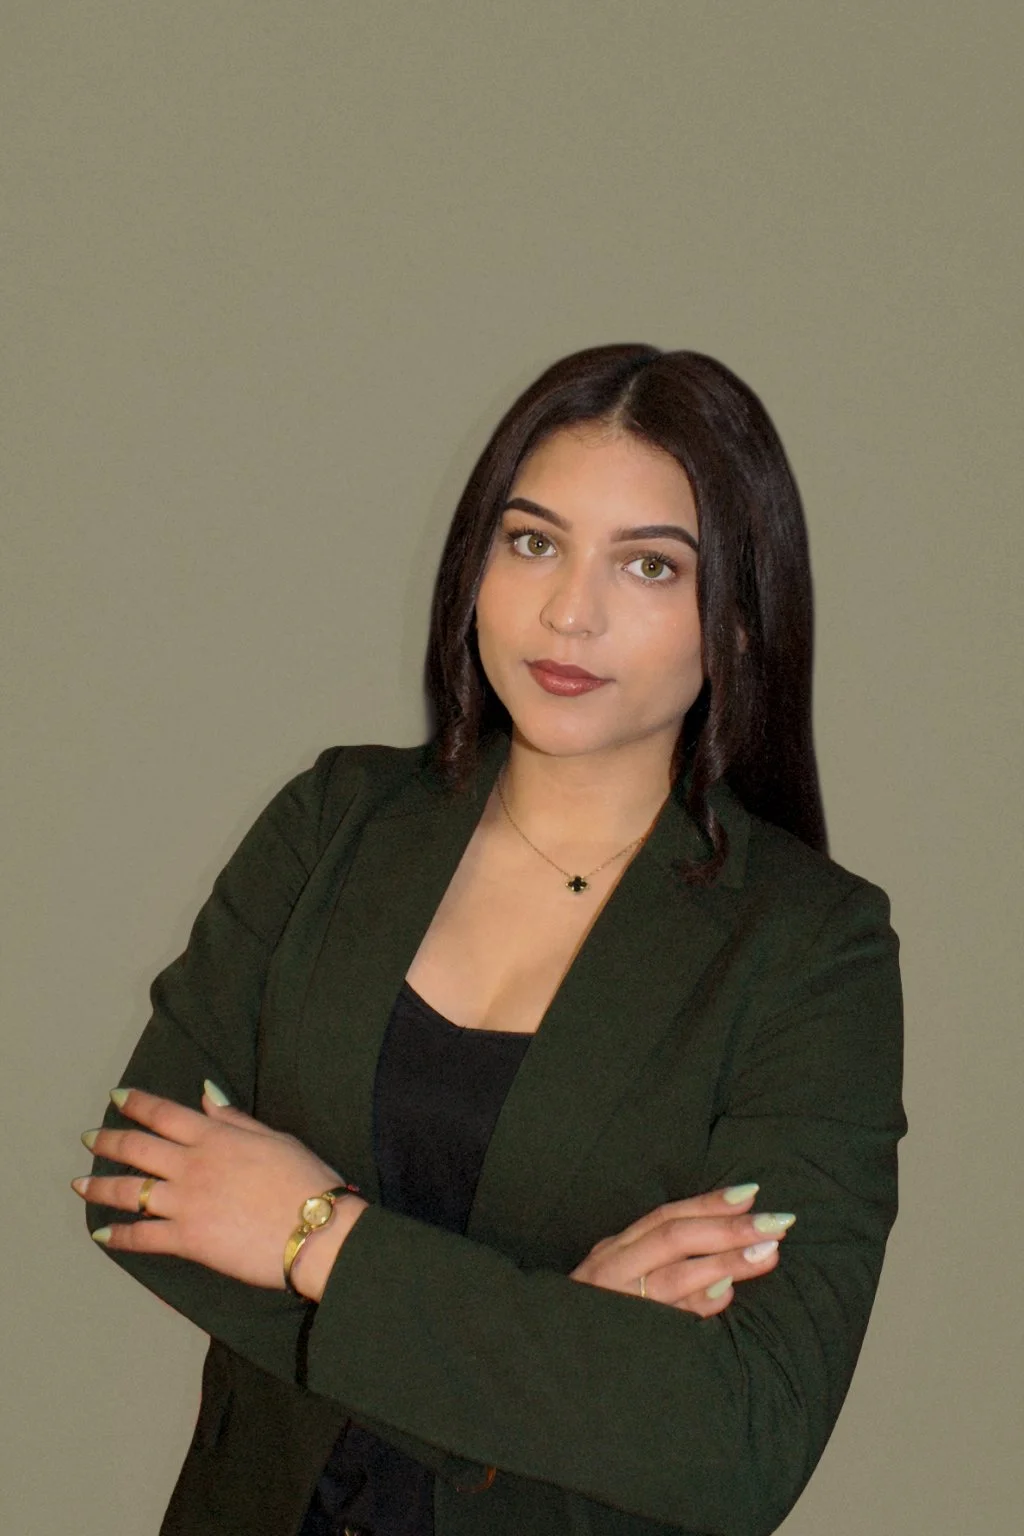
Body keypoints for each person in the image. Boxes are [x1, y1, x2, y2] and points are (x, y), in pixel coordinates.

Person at [74, 343, 907, 1536]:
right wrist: (558, 1340)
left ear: (734, 620)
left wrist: (315, 1238)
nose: (570, 609)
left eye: (650, 567)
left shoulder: (811, 950)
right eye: (533, 541)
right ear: (475, 564)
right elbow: (137, 1185)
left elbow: (744, 1435)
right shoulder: (335, 822)